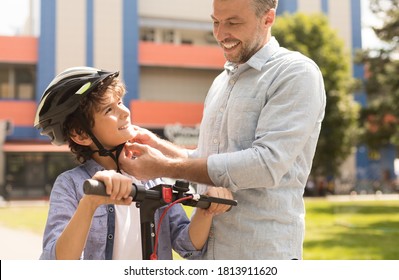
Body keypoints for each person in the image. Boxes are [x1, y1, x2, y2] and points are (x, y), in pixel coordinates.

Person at [118, 0, 326, 259]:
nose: (220, 34)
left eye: (233, 23)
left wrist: (163, 167)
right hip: (208, 256)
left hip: (261, 255)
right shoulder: (221, 81)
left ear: (268, 18)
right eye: (216, 22)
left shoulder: (295, 73)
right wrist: (158, 146)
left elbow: (266, 164)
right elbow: (207, 163)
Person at [34, 66, 232, 260]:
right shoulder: (71, 185)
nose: (125, 112)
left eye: (120, 102)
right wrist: (90, 202)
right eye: (109, 109)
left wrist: (206, 211)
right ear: (81, 134)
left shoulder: (153, 179)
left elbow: (186, 245)